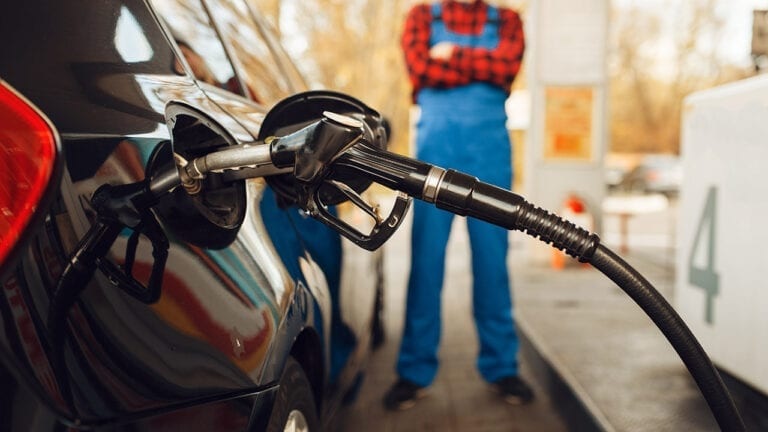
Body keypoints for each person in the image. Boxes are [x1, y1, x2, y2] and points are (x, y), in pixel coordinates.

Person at [384, 0, 531, 410]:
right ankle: (413, 372)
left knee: (492, 264)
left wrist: (452, 56)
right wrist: (478, 62)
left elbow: (506, 70)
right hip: (435, 154)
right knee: (426, 263)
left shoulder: (508, 20)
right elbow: (421, 70)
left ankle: (502, 367)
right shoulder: (420, 18)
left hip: (490, 157)